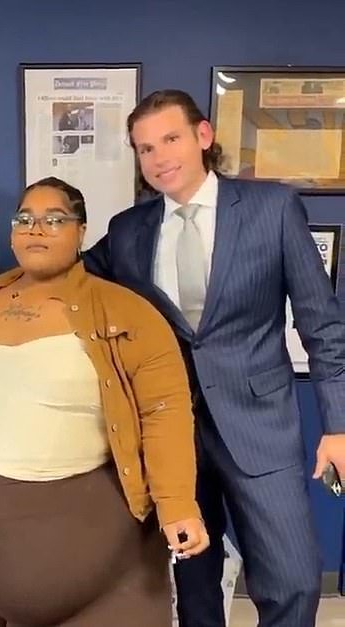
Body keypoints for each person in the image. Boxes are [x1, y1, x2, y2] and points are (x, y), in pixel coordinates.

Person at [0, 176, 209, 627]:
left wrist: (177, 505)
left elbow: (163, 412)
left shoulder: (129, 314)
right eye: (24, 219)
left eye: (54, 219)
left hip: (68, 563)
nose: (36, 229)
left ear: (81, 231)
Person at [84, 90, 345, 627]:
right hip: (172, 432)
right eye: (145, 148)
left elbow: (322, 326)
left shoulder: (272, 209)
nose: (159, 157)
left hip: (260, 426)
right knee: (194, 586)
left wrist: (339, 426)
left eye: (170, 139)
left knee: (294, 581)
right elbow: (65, 276)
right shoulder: (129, 230)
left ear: (203, 136)